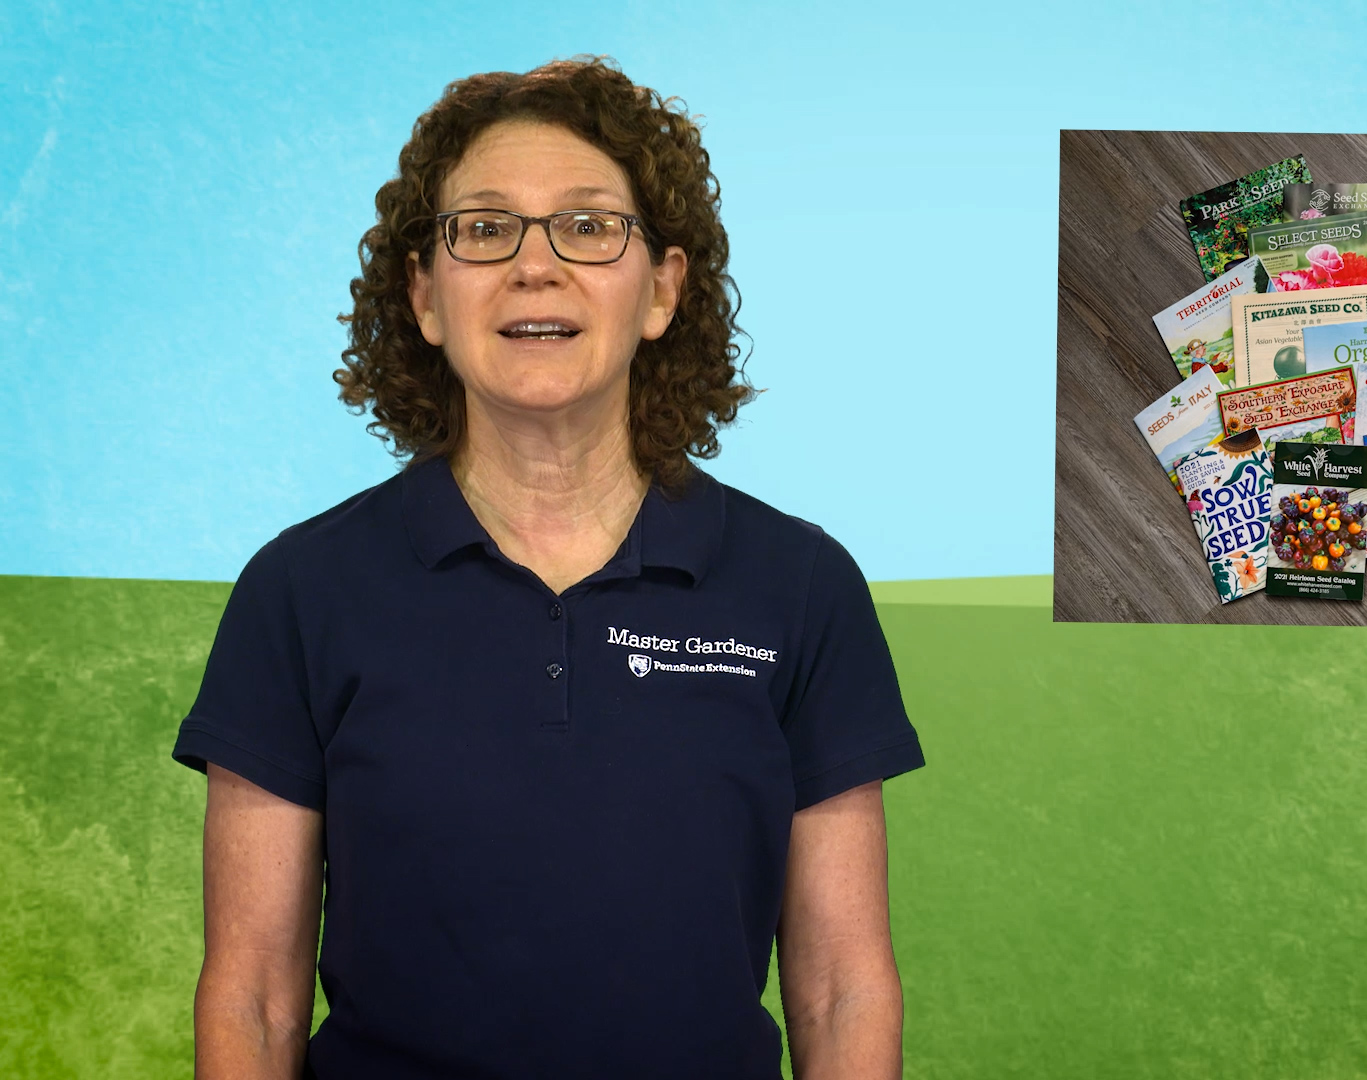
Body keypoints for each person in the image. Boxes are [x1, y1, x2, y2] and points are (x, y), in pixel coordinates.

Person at [172, 57, 923, 1079]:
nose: (536, 266)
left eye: (587, 225)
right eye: (484, 229)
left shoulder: (799, 584)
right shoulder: (301, 591)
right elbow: (253, 1002)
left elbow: (842, 989)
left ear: (661, 290)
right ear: (425, 295)